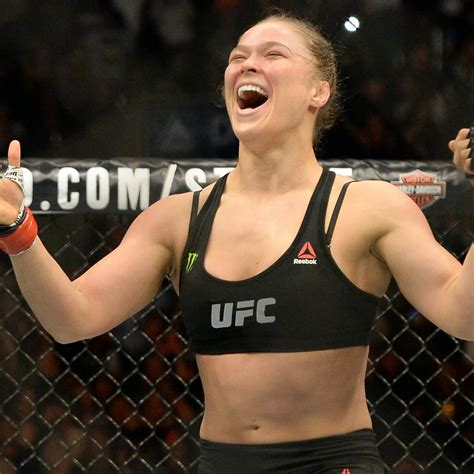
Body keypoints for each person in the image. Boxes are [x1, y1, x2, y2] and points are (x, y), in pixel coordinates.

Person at [0, 10, 472, 474]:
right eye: (237, 57)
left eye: (273, 54)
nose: (247, 65)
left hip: (332, 463)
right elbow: (72, 319)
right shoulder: (177, 220)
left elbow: (463, 314)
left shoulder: (366, 209)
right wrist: (18, 231)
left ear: (319, 90)